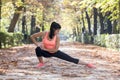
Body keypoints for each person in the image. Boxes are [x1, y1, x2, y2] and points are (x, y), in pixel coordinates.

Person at [30, 22, 95, 68]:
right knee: (37, 49)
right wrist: (38, 45)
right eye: (57, 30)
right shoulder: (44, 33)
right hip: (45, 53)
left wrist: (45, 49)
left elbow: (55, 49)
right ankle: (41, 63)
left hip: (54, 52)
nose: (58, 32)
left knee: (71, 59)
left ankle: (87, 64)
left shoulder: (57, 37)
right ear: (53, 29)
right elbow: (32, 36)